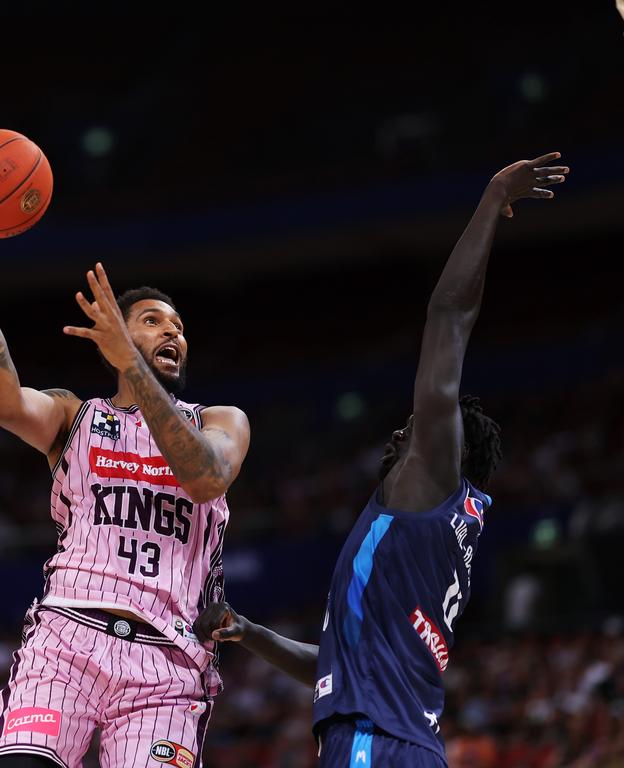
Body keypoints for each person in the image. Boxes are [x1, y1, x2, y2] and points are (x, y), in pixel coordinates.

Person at [195, 153, 569, 767]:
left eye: (415, 426)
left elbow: (448, 317)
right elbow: (340, 666)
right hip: (405, 744)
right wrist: (251, 632)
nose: (401, 431)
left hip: (375, 743)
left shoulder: (430, 480)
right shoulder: (444, 532)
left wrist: (492, 198)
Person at [0, 169, 251, 768]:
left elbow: (204, 478)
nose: (172, 332)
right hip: (66, 643)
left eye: (178, 326)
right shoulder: (75, 417)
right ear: (114, 337)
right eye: (152, 321)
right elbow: (3, 397)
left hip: (169, 667)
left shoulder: (220, 420)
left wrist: (136, 365)